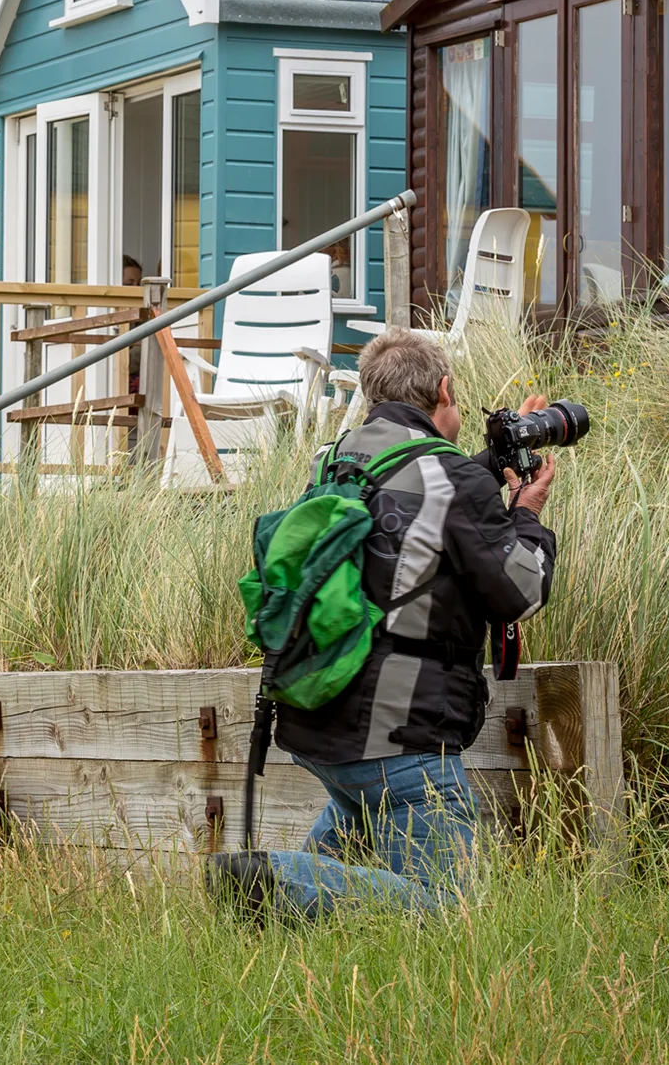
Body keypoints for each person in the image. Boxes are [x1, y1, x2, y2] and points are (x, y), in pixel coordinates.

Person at [210, 328, 557, 918]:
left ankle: (277, 910)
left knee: (354, 835)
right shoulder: (451, 480)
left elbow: (400, 509)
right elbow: (520, 591)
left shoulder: (337, 460)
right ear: (443, 390)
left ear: (373, 393)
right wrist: (525, 516)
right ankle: (266, 878)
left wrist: (487, 467)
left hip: (323, 728)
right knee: (446, 913)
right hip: (402, 741)